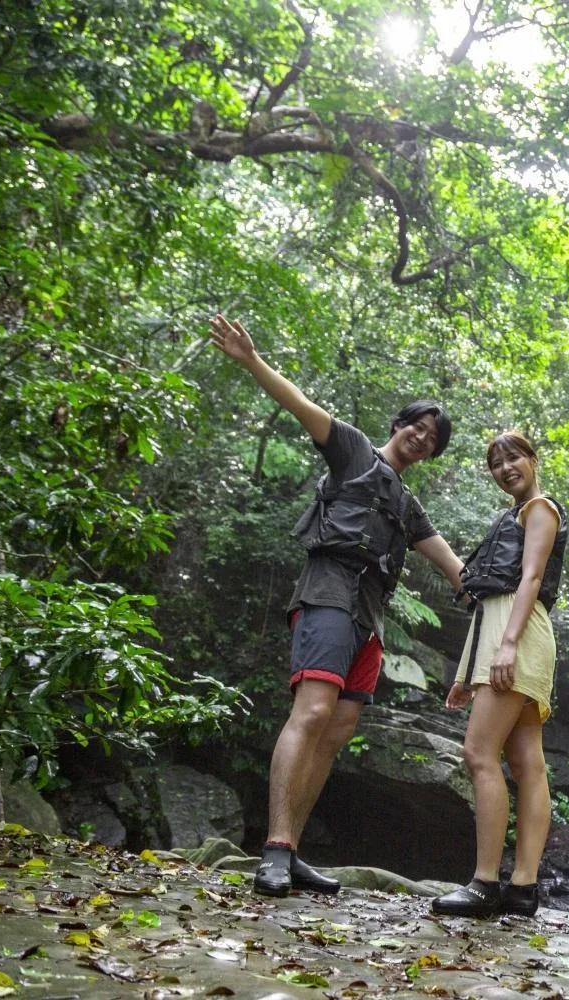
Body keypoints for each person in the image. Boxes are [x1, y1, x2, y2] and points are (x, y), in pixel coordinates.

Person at [208, 314, 468, 898]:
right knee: (313, 713)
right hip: (328, 595)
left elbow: (447, 562)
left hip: (368, 619)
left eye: (432, 437)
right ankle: (274, 849)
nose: (421, 437)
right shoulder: (352, 451)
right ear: (399, 426)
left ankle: (292, 849)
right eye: (417, 426)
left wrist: (503, 590)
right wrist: (251, 360)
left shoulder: (407, 501)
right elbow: (300, 403)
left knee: (339, 728)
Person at [434, 431, 568, 918]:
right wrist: (468, 671)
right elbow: (489, 602)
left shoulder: (539, 509)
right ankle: (523, 888)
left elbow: (530, 578)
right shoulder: (516, 514)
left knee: (478, 753)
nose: (505, 467)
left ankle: (484, 883)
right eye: (496, 462)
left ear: (533, 460)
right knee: (526, 761)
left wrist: (507, 645)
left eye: (513, 457)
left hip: (518, 632)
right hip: (506, 632)